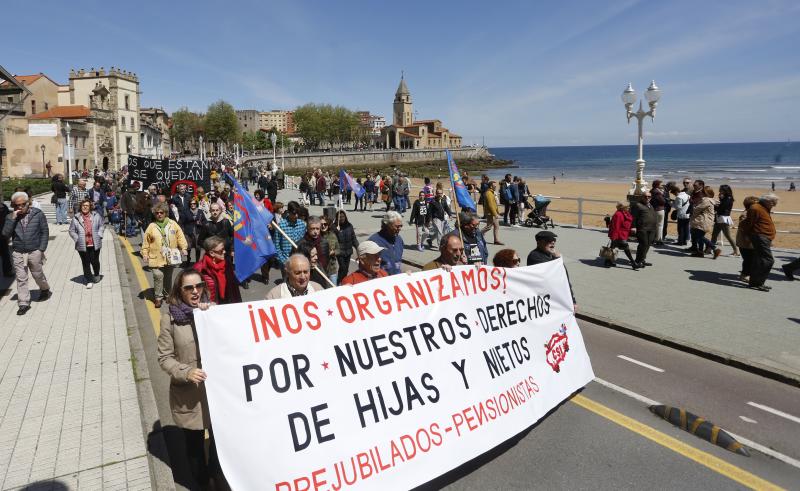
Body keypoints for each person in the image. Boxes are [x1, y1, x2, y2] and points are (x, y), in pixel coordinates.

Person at [157, 269, 226, 489]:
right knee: (195, 449)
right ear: (180, 290)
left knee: (220, 443)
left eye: (199, 286)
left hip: (217, 394)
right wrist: (185, 372)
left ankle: (219, 474)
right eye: (189, 288)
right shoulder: (170, 317)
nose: (195, 291)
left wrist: (213, 316)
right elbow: (164, 358)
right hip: (189, 396)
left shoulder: (212, 312)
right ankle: (203, 482)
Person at [2, 192, 51, 315]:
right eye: (17, 205)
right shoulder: (10, 217)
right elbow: (5, 235)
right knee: (21, 278)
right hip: (18, 251)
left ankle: (45, 289)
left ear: (28, 203)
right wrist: (12, 219)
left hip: (34, 250)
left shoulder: (38, 214)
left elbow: (44, 232)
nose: (20, 207)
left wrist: (41, 249)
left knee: (37, 274)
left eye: (23, 204)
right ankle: (23, 303)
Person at [142, 202, 188, 308]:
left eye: (161, 212)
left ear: (165, 213)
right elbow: (146, 242)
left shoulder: (173, 224)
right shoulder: (151, 227)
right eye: (157, 213)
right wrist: (145, 254)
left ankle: (168, 295)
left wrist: (183, 248)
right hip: (156, 257)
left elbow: (180, 236)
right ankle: (158, 297)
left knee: (168, 276)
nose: (159, 215)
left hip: (170, 257)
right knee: (158, 275)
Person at [526, 230, 575, 309]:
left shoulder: (551, 255)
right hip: (546, 301)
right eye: (548, 240)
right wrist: (557, 259)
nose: (553, 242)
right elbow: (551, 275)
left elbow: (564, 278)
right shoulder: (535, 256)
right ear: (539, 243)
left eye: (554, 240)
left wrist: (573, 300)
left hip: (557, 298)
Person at [744, 194, 778, 291]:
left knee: (758, 260)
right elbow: (749, 223)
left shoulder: (763, 207)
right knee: (768, 260)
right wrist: (748, 236)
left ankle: (754, 283)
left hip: (763, 237)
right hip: (760, 236)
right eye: (773, 203)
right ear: (767, 201)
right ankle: (759, 283)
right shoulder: (756, 208)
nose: (774, 205)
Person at [68, 199, 105, 288]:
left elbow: (102, 226)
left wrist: (99, 235)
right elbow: (71, 230)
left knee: (94, 261)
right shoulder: (76, 218)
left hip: (94, 243)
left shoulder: (96, 216)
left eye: (87, 205)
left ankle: (96, 274)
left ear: (90, 207)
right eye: (83, 205)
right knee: (85, 262)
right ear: (81, 207)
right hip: (82, 245)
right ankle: (88, 280)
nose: (85, 207)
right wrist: (77, 239)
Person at [193, 236, 241, 304]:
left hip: (227, 304)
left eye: (224, 249)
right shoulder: (199, 268)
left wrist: (238, 304)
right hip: (210, 307)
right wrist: (205, 303)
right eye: (221, 251)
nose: (224, 252)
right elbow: (193, 291)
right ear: (212, 253)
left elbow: (234, 288)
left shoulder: (227, 264)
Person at [297, 216, 337, 285]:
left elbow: (326, 263)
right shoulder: (300, 244)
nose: (315, 232)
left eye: (317, 229)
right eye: (312, 229)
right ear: (307, 228)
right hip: (306, 280)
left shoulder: (324, 243)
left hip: (322, 278)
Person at [273, 201, 307, 270]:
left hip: (299, 262)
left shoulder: (302, 224)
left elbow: (305, 244)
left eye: (298, 213)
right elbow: (276, 245)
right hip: (286, 262)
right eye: (294, 213)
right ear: (288, 212)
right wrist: (283, 261)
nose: (296, 216)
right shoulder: (281, 225)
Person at [369, 211, 404, 275]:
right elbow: (368, 267)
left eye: (401, 226)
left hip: (397, 279)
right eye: (397, 226)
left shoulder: (399, 240)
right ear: (387, 225)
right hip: (381, 281)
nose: (399, 229)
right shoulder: (373, 241)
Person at [710, 184, 739, 258]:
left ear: (725, 190)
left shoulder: (728, 198)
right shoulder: (725, 198)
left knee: (728, 235)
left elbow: (721, 208)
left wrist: (716, 204)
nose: (720, 191)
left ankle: (736, 251)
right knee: (714, 235)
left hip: (723, 218)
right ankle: (709, 249)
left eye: (721, 189)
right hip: (720, 217)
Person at [606, 202, 638, 269]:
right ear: (623, 207)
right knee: (626, 248)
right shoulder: (618, 214)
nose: (629, 207)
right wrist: (614, 237)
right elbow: (616, 226)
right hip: (619, 235)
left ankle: (608, 261)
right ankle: (633, 263)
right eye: (628, 206)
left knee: (612, 248)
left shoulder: (626, 213)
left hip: (623, 234)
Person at [735, 196, 759, 283]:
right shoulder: (745, 214)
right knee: (748, 259)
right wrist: (749, 239)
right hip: (746, 242)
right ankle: (744, 275)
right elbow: (744, 229)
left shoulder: (752, 213)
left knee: (751, 259)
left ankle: (748, 273)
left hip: (749, 241)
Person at [630, 192, 657, 268]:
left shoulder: (650, 205)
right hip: (642, 228)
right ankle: (637, 261)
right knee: (643, 244)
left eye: (649, 196)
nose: (647, 198)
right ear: (642, 197)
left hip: (652, 228)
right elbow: (633, 217)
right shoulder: (637, 205)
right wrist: (633, 226)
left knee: (648, 244)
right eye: (645, 196)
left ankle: (642, 259)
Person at [689, 186, 717, 258]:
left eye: (702, 192)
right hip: (702, 221)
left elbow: (697, 209)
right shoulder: (708, 200)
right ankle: (700, 252)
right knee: (698, 236)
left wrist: (693, 207)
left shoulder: (706, 200)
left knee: (699, 236)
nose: (701, 193)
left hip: (703, 221)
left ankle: (714, 248)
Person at [335, 210, 358, 284]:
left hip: (348, 252)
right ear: (337, 218)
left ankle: (343, 281)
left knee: (345, 269)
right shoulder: (335, 227)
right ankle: (339, 281)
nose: (341, 218)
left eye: (343, 216)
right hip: (340, 252)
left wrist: (358, 248)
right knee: (343, 267)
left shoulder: (349, 226)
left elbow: (353, 238)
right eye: (339, 217)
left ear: (345, 217)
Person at [650, 180, 666, 245]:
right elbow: (662, 201)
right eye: (660, 184)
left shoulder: (652, 191)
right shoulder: (657, 192)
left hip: (654, 209)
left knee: (654, 225)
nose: (661, 186)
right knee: (660, 225)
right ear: (657, 185)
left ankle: (653, 238)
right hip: (659, 209)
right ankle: (659, 240)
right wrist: (663, 195)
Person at [0, 202, 13, 277]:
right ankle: (7, 271)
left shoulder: (4, 206)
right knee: (5, 254)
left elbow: (8, 218)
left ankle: (8, 271)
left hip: (3, 234)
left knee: (5, 254)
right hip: (3, 234)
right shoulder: (3, 206)